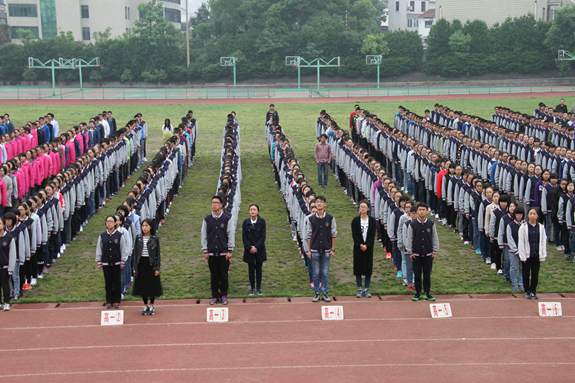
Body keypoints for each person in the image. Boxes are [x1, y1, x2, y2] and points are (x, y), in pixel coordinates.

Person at [201, 196, 234, 305]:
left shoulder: (226, 219)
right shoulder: (207, 219)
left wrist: (230, 250)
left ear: (221, 205)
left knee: (224, 275)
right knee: (214, 275)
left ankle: (224, 295)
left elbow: (230, 235)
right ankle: (214, 295)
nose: (214, 204)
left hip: (224, 252)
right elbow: (204, 235)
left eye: (216, 203)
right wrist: (205, 250)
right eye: (213, 202)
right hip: (211, 252)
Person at [405, 203, 439, 301]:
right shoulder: (412, 224)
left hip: (428, 254)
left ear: (427, 211)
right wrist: (410, 252)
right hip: (416, 255)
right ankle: (418, 292)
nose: (421, 212)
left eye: (423, 210)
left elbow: (434, 238)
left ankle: (427, 292)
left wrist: (434, 251)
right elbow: (409, 239)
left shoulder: (431, 224)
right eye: (420, 210)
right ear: (417, 211)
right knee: (417, 274)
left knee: (427, 274)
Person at [306, 195, 337, 303]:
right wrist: (309, 250)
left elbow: (333, 234)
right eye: (317, 202)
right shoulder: (311, 219)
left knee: (325, 272)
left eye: (321, 202)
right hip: (314, 249)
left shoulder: (330, 218)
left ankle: (325, 292)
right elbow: (309, 235)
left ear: (325, 204)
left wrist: (332, 249)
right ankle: (316, 293)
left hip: (326, 249)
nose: (319, 204)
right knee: (315, 272)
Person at [95, 215, 129, 309]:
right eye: (107, 221)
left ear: (115, 223)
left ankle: (117, 300)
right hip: (106, 263)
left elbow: (123, 249)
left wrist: (123, 261)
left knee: (117, 282)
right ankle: (109, 301)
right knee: (108, 283)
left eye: (111, 221)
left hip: (117, 263)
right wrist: (99, 261)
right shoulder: (102, 236)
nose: (109, 223)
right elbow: (99, 249)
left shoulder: (119, 235)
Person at [132, 218, 163, 316]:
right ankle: (145, 305)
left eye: (146, 226)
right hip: (141, 263)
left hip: (151, 264)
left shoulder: (155, 238)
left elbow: (157, 254)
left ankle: (152, 305)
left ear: (150, 227)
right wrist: (135, 267)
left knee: (152, 285)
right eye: (143, 226)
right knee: (142, 285)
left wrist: (157, 268)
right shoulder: (138, 238)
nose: (144, 228)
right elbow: (135, 252)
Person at [518, 207, 547, 299]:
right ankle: (527, 291)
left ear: (537, 215)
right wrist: (522, 256)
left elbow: (543, 241)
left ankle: (533, 290)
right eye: (531, 214)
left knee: (535, 274)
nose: (532, 216)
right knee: (526, 273)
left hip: (536, 254)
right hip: (527, 254)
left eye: (534, 214)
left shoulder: (541, 227)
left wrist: (542, 255)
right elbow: (521, 242)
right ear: (528, 215)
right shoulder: (524, 227)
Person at [351, 200, 376, 298]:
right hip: (358, 248)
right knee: (358, 268)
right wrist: (360, 244)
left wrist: (367, 245)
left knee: (368, 268)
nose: (363, 208)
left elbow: (372, 234)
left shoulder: (372, 220)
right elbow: (355, 234)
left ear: (368, 208)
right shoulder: (355, 220)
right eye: (361, 206)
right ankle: (360, 288)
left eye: (365, 207)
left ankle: (367, 288)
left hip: (368, 248)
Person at [242, 204, 267, 296]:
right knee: (251, 269)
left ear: (258, 211)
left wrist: (256, 247)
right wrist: (249, 247)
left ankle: (259, 288)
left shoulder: (262, 221)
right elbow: (244, 237)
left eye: (254, 209)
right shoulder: (245, 222)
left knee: (259, 269)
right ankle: (252, 288)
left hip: (259, 249)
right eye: (251, 209)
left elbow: (263, 236)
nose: (252, 211)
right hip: (249, 250)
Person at [0, 217, 16, 311]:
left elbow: (12, 254)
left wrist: (11, 268)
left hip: (5, 266)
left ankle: (6, 302)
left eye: (0, 223)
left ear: (4, 225)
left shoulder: (8, 237)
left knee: (5, 284)